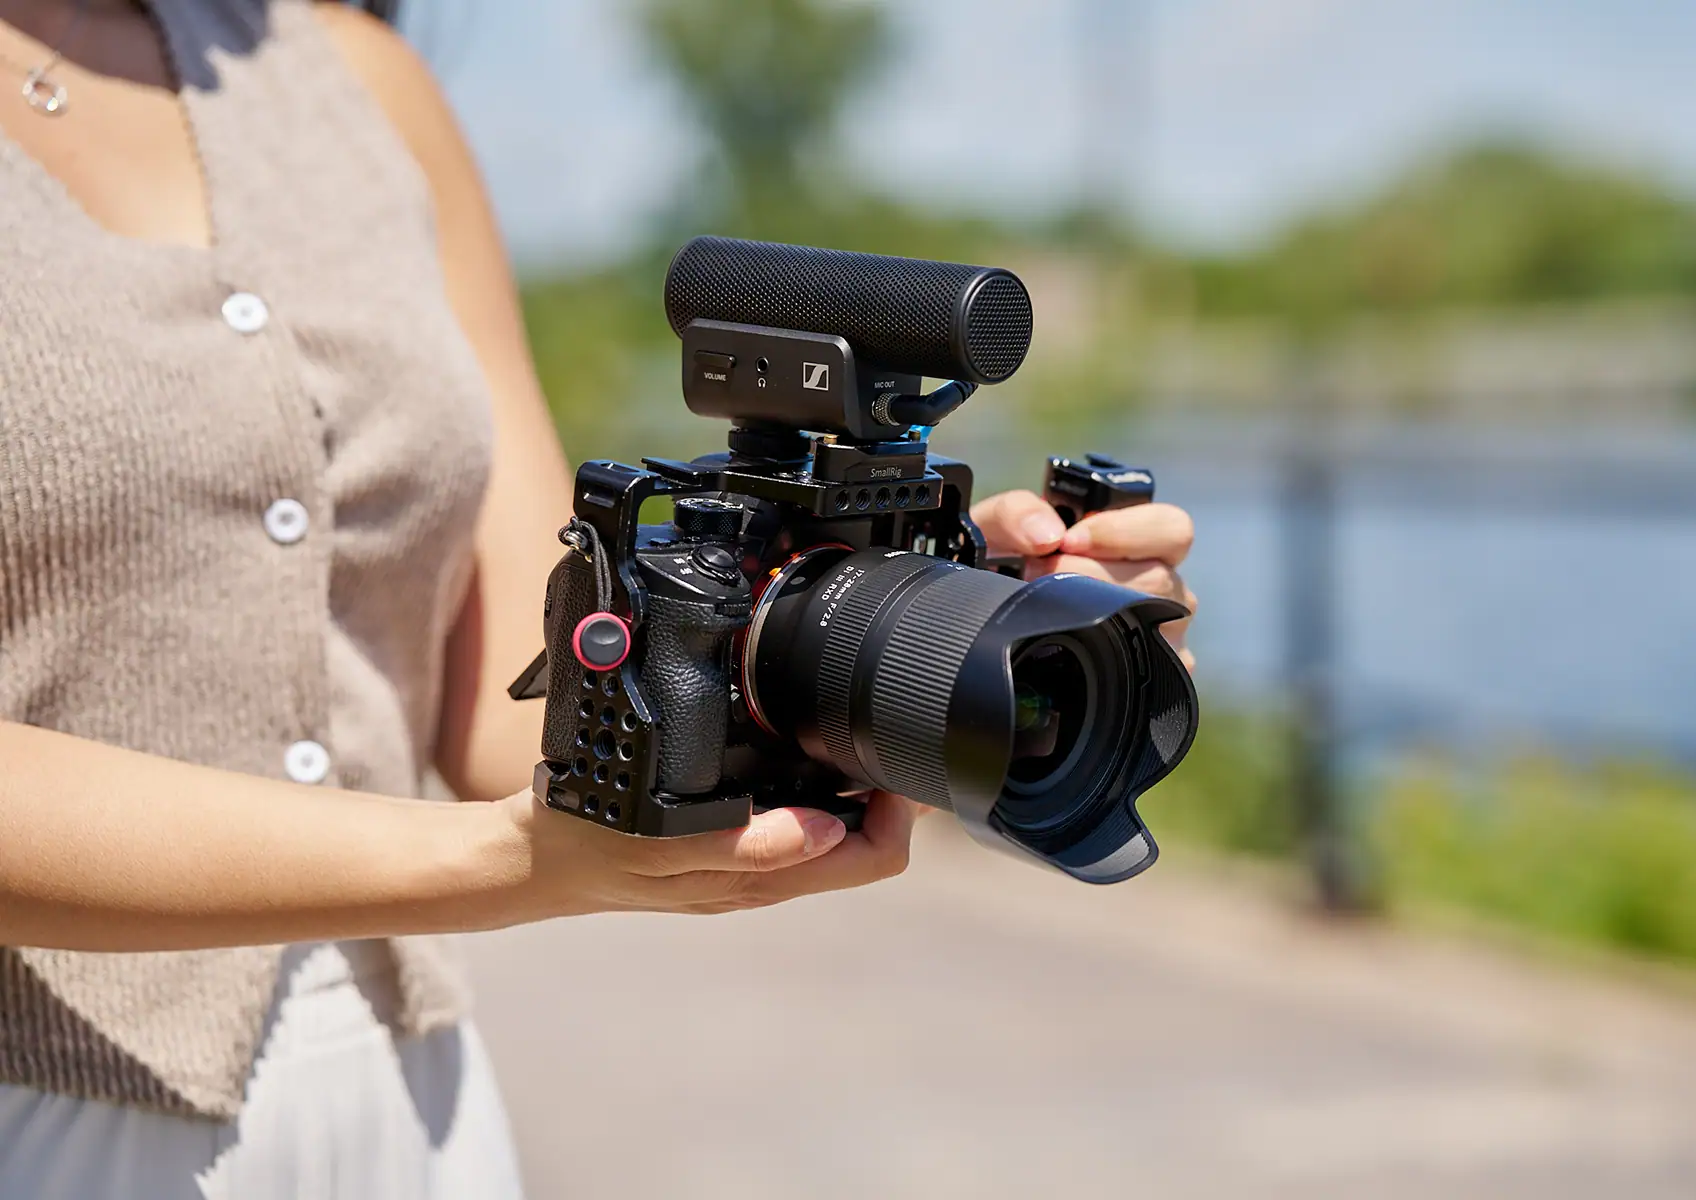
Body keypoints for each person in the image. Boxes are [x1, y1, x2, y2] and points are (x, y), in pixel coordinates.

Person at [0, 0, 1199, 1194]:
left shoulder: (362, 84)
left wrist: (946, 624)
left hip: (405, 1102)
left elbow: (522, 723)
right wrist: (501, 864)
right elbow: (505, 829)